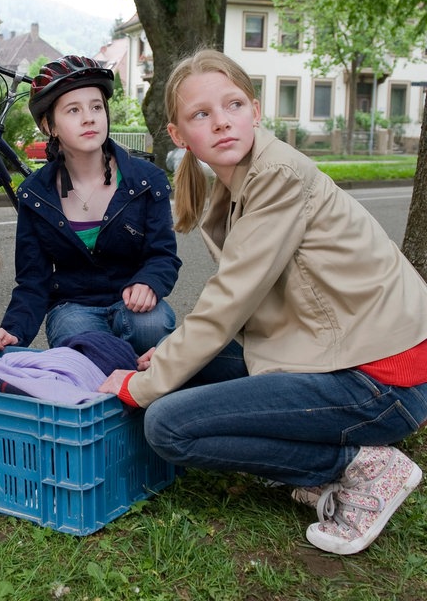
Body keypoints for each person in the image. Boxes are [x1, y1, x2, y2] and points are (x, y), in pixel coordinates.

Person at [99, 48, 427, 555]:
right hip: (331, 352)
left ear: (255, 110)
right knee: (185, 367)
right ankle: (323, 465)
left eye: (232, 105)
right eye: (201, 115)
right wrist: (167, 361)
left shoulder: (278, 175)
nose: (222, 123)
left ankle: (365, 467)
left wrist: (141, 385)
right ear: (179, 135)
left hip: (381, 380)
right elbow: (246, 303)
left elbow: (228, 301)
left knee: (168, 424)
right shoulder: (235, 184)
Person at [0, 56, 181, 355]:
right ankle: (121, 385)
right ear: (50, 126)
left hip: (132, 304)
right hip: (73, 308)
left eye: (96, 107)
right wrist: (12, 331)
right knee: (82, 342)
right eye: (73, 110)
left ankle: (147, 382)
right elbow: (33, 281)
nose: (89, 118)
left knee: (150, 324)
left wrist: (149, 282)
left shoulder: (146, 180)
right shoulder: (35, 195)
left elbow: (162, 254)